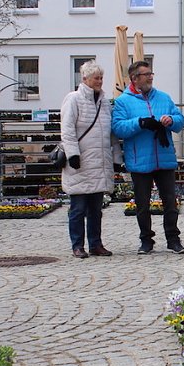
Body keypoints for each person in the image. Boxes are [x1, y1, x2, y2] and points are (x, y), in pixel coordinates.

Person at [112, 60, 184, 254]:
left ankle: (173, 239)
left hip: (164, 158)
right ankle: (146, 240)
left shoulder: (163, 97)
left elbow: (180, 121)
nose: (151, 77)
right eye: (147, 74)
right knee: (142, 205)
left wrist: (171, 121)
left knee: (170, 202)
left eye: (151, 73)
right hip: (139, 161)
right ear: (135, 78)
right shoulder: (122, 101)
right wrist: (140, 123)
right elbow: (118, 128)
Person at [61, 61, 122, 258]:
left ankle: (96, 243)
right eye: (96, 78)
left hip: (99, 162)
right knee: (78, 208)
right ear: (85, 79)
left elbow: (111, 133)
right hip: (80, 162)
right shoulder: (73, 99)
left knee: (97, 208)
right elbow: (67, 130)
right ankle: (77, 245)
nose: (100, 81)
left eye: (101, 78)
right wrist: (73, 154)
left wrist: (116, 157)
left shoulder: (104, 102)